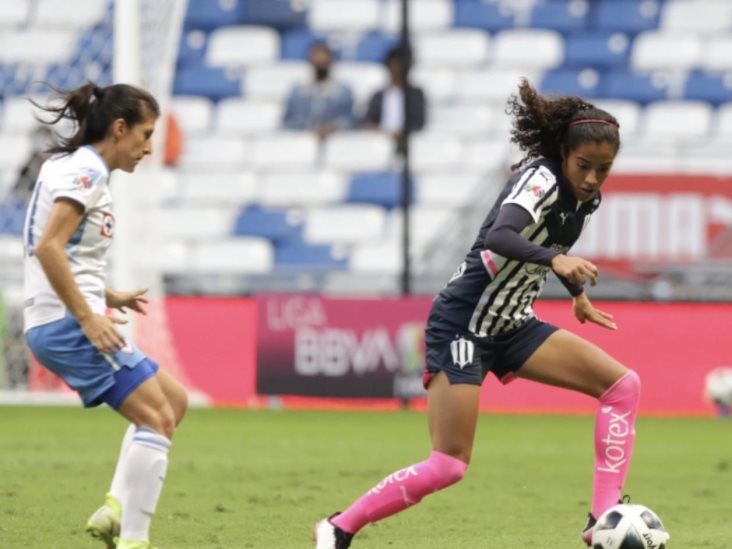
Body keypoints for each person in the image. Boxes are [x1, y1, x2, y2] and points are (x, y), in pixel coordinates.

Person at [314, 80, 640, 548]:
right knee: (449, 463)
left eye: (602, 170)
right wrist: (557, 263)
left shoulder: (586, 199)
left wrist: (576, 294)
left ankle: (602, 518)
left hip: (513, 324)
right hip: (463, 324)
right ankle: (339, 525)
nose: (591, 178)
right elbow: (500, 238)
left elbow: (551, 245)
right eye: (584, 166)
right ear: (564, 154)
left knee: (622, 386)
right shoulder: (540, 179)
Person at [23, 82, 187, 549]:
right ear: (120, 128)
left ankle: (116, 506)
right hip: (67, 323)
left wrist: (106, 297)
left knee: (173, 402)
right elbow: (48, 247)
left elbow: (64, 253)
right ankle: (134, 540)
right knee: (157, 418)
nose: (149, 148)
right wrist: (89, 317)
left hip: (62, 315)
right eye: (146, 134)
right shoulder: (86, 174)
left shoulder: (73, 166)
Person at [282, 42, 354, 138]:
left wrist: (330, 128)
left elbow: (349, 121)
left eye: (324, 62)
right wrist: (309, 130)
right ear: (310, 61)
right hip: (303, 141)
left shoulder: (343, 92)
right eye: (317, 61)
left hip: (333, 140)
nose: (320, 64)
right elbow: (289, 122)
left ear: (331, 62)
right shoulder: (298, 92)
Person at [361, 47, 426, 147]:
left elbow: (418, 122)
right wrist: (377, 130)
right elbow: (368, 120)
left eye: (399, 65)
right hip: (379, 140)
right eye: (393, 65)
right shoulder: (378, 96)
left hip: (407, 140)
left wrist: (402, 132)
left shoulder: (415, 94)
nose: (396, 69)